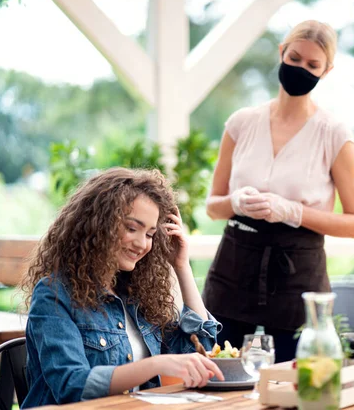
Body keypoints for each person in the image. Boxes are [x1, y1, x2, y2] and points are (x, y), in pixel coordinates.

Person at [203, 20, 354, 363]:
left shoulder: (334, 134)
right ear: (282, 52)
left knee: (298, 377)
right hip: (235, 263)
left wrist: (292, 211)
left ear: (326, 71)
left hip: (299, 273)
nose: (300, 68)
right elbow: (212, 207)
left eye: (312, 65)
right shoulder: (241, 123)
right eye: (295, 58)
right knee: (219, 370)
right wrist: (235, 202)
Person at [20, 168, 224, 408]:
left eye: (150, 234)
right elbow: (71, 386)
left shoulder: (137, 295)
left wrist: (181, 267)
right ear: (98, 225)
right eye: (131, 228)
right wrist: (156, 364)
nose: (142, 244)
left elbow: (202, 354)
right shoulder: (54, 293)